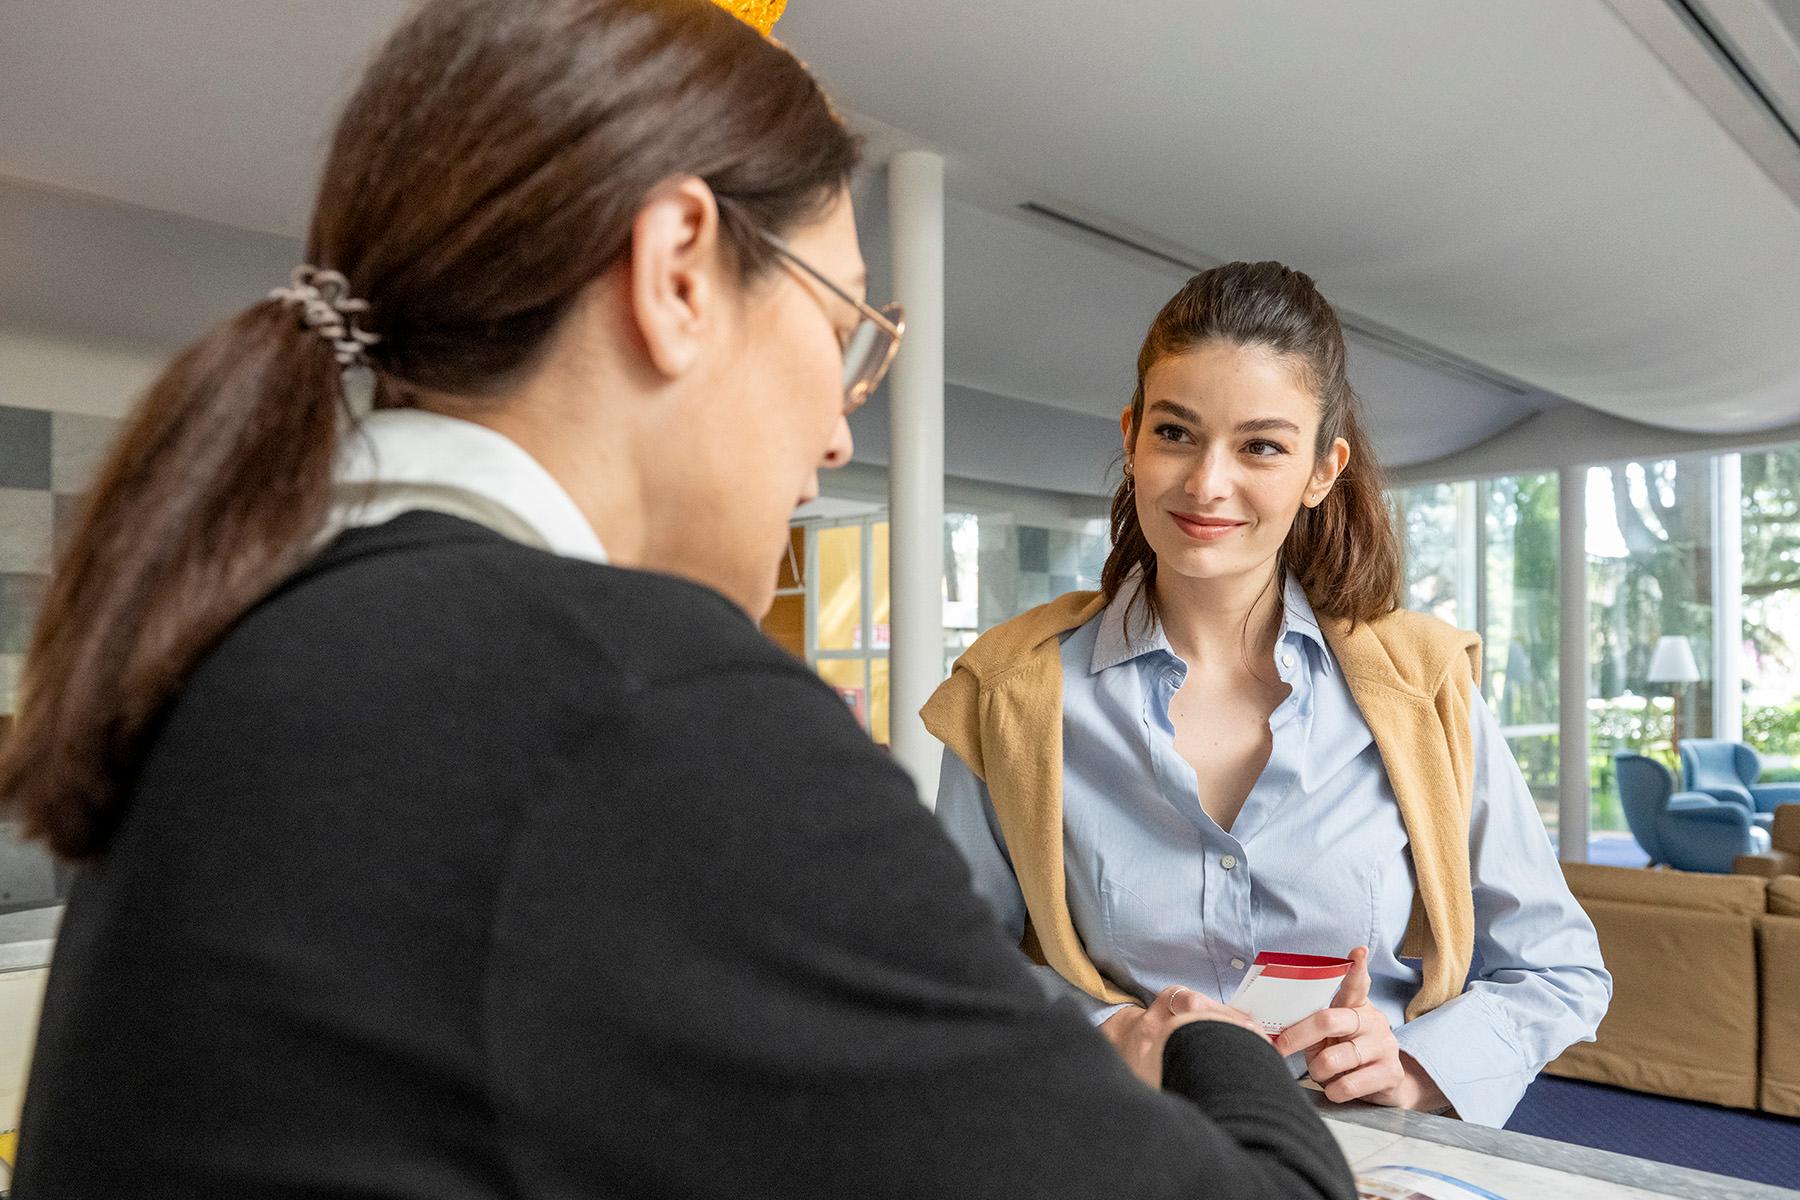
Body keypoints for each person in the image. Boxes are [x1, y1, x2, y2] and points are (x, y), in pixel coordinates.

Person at [0, 3, 1355, 1196]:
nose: (837, 434)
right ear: (679, 271)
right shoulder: (642, 707)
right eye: (843, 335)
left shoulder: (258, 630)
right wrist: (1215, 1041)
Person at [926, 261, 1611, 1129]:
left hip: (1363, 1164)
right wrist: (1111, 1034)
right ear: (1133, 435)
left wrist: (1413, 1064)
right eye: (1176, 433)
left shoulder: (1424, 687)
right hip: (1120, 1151)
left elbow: (1558, 968)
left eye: (1260, 446)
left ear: (1322, 471)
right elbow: (946, 971)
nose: (1208, 483)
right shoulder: (1011, 692)